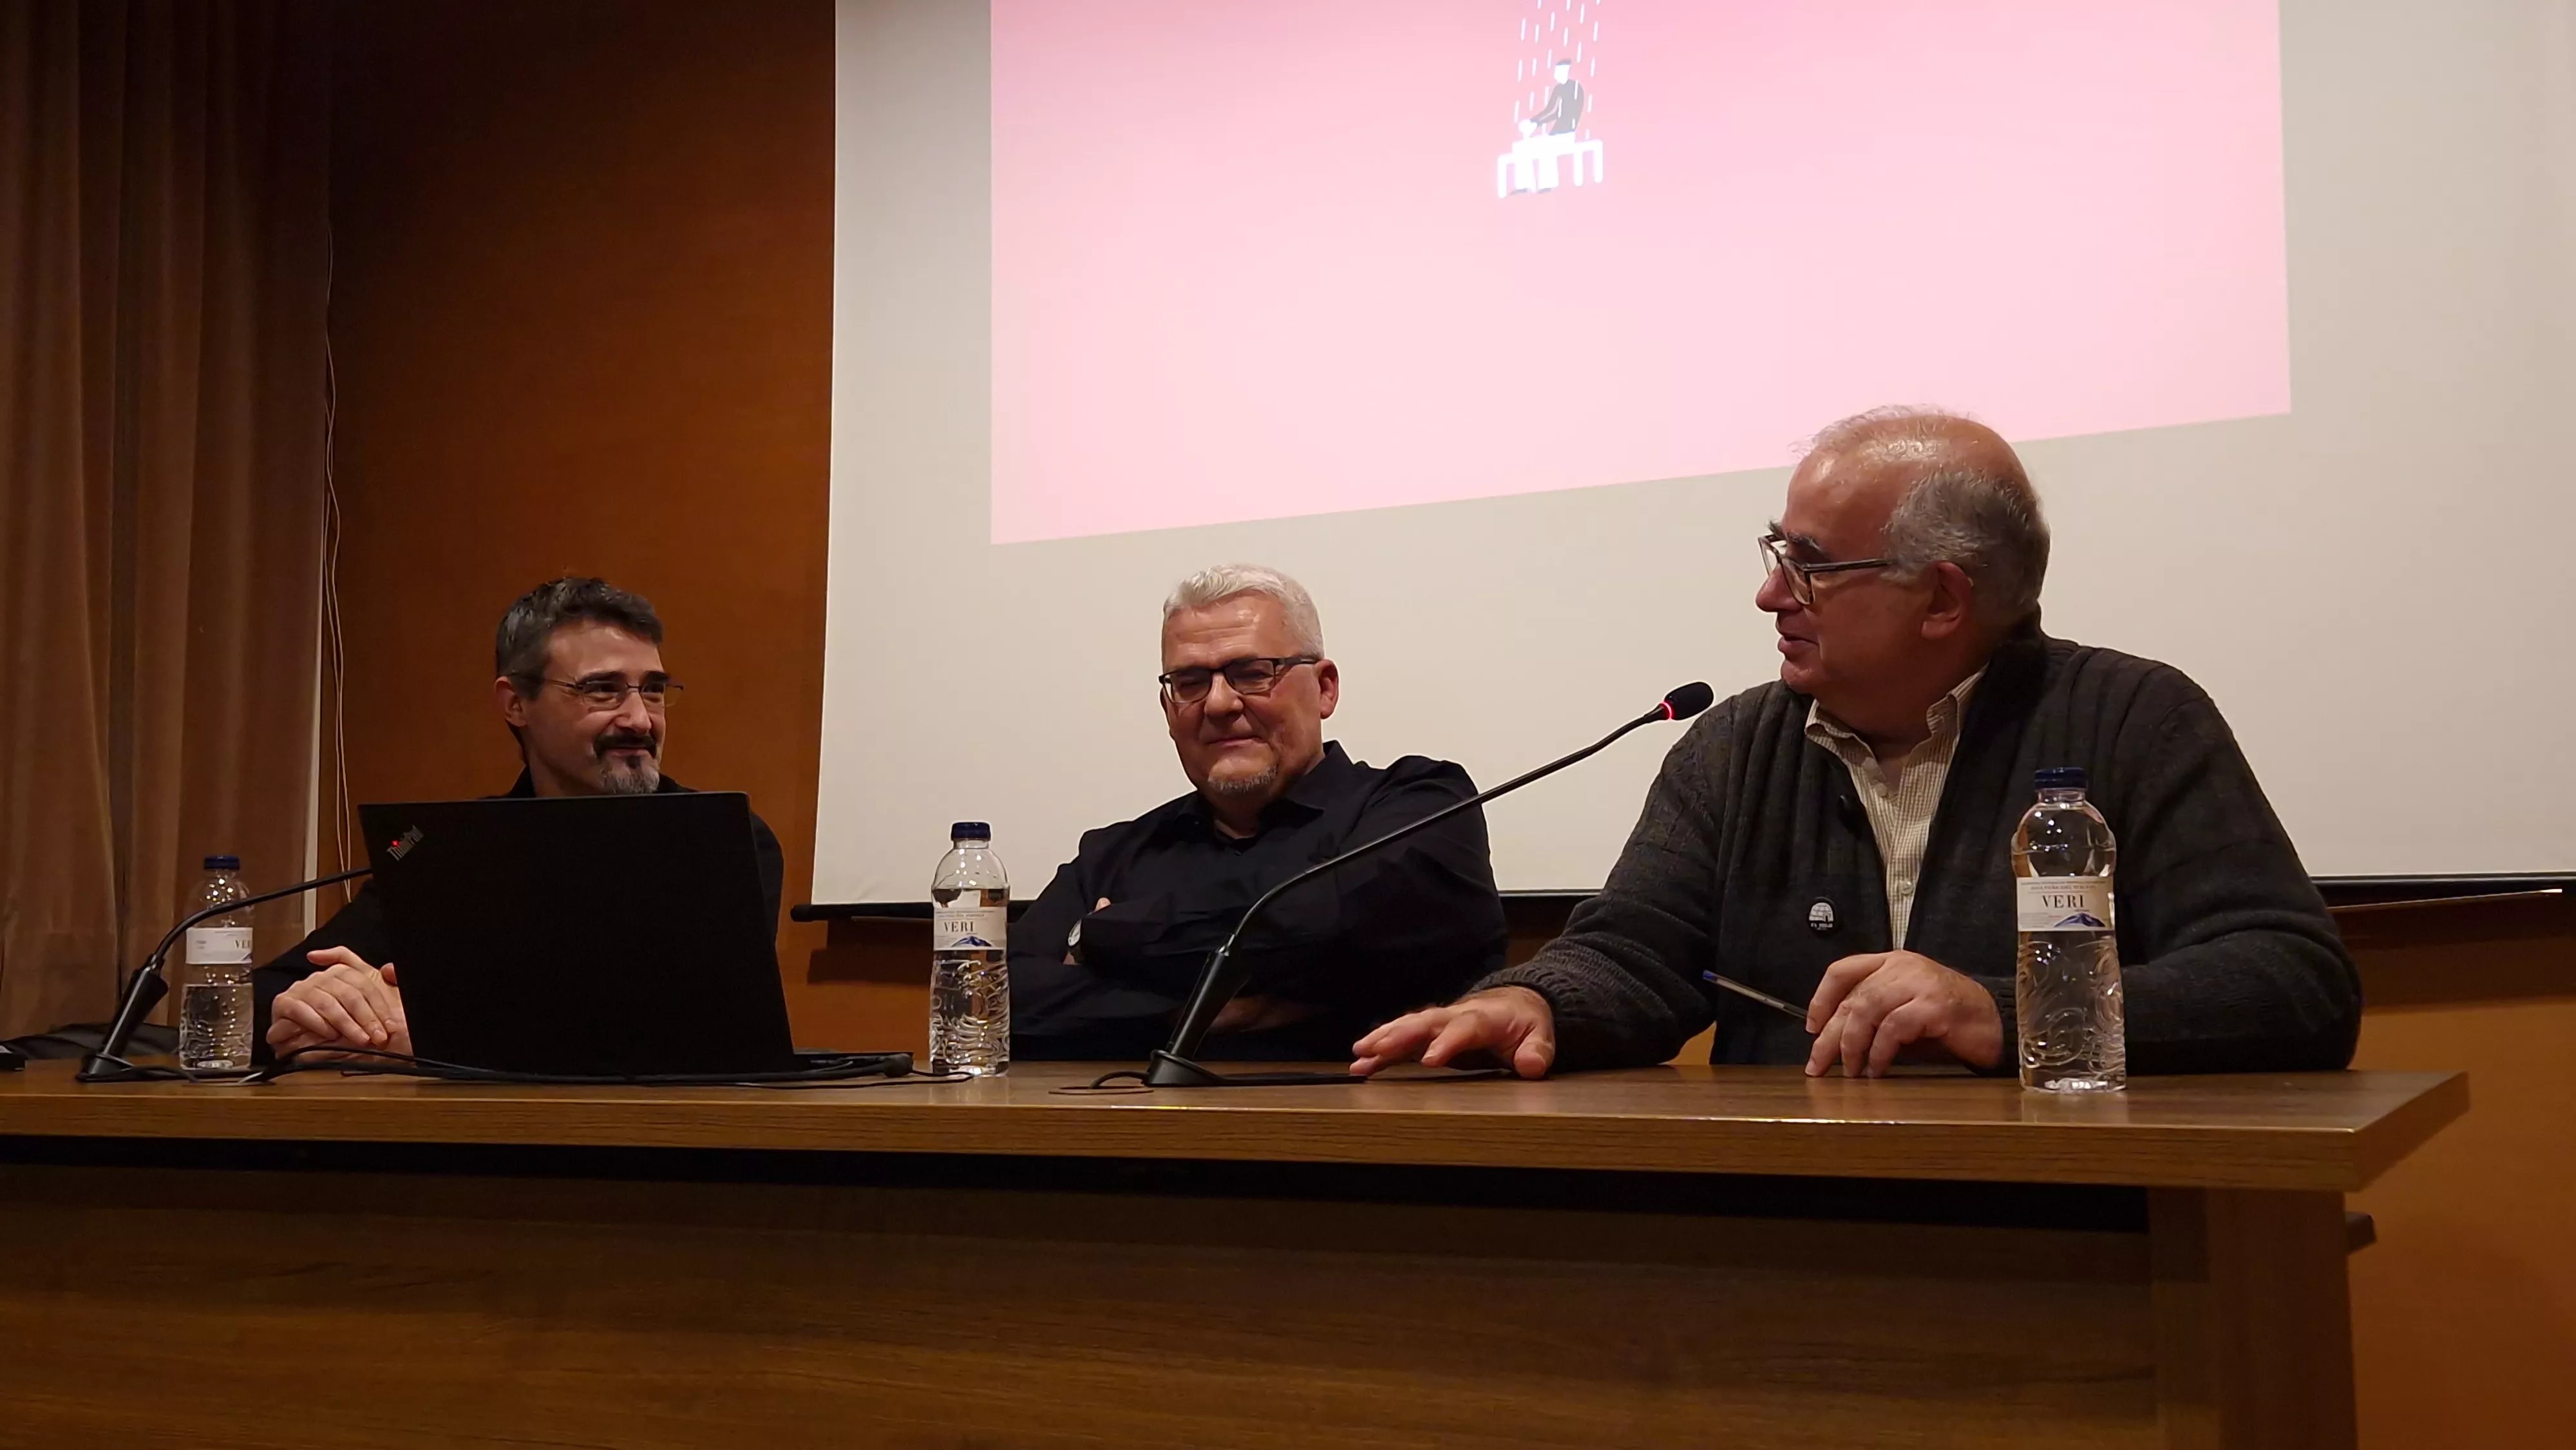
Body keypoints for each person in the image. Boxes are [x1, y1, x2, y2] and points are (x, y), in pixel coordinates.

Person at [1353, 408, 2361, 1080]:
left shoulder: (2136, 719)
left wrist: (2001, 1011)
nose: (1769, 594)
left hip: (2071, 1234)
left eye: (1812, 564)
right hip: (1784, 1232)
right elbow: (1634, 953)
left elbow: (2292, 983)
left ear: (1943, 597)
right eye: (1776, 553)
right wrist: (1537, 1000)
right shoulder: (1737, 746)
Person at [252, 577, 783, 1062]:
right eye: (603, 690)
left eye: (653, 690)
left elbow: (695, 1029)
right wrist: (319, 1007)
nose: (640, 719)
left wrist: (424, 1035)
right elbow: (267, 997)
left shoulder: (722, 839)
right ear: (515, 704)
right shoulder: (453, 850)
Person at [1011, 565, 1506, 1062]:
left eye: (1252, 673)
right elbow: (1000, 1000)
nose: (1220, 703)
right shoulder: (1114, 853)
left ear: (1326, 689)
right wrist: (1197, 1013)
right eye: (1190, 682)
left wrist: (1102, 935)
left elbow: (1335, 927)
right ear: (1168, 709)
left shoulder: (1423, 806)